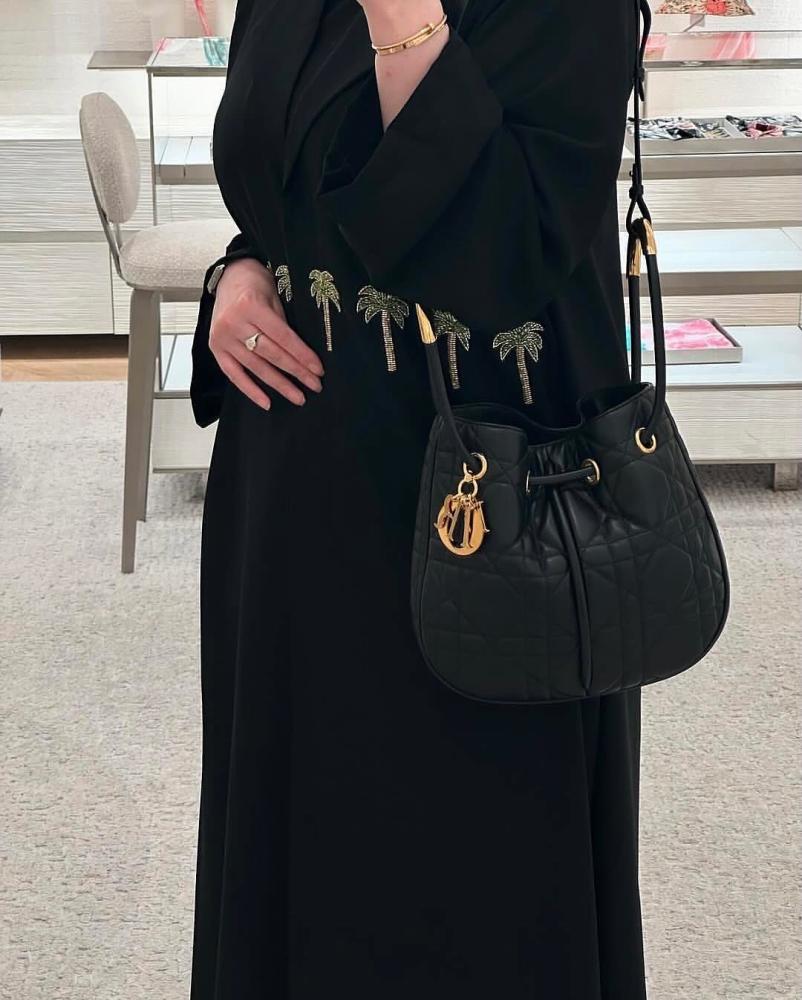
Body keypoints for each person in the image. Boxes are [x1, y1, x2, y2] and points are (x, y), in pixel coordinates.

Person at [188, 0, 647, 997]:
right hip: (297, 495)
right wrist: (239, 271)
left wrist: (399, 14)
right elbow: (282, 180)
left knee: (474, 871)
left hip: (487, 507)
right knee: (295, 837)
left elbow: (504, 250)